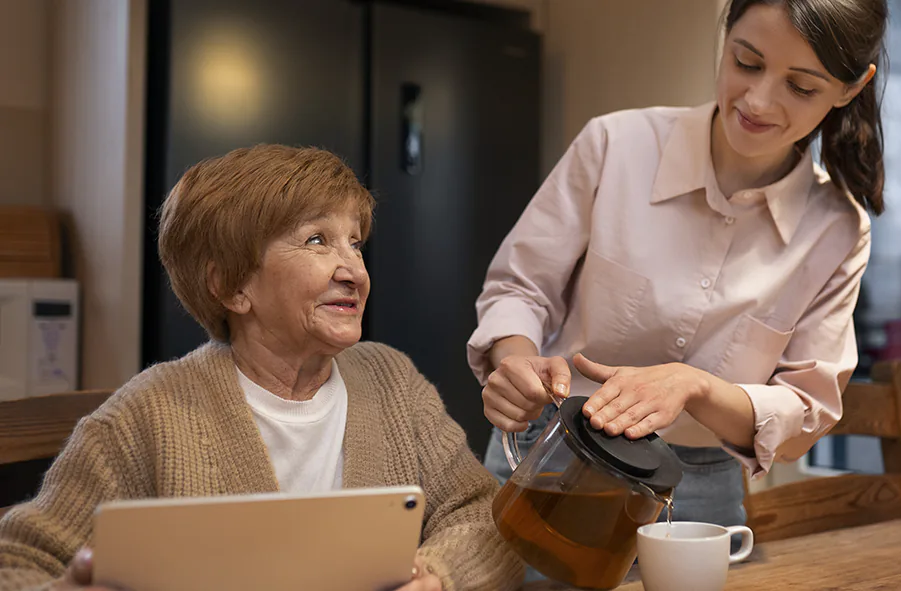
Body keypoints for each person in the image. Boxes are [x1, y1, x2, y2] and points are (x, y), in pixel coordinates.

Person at [0, 145, 524, 591]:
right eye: (318, 240)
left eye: (355, 243)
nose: (355, 272)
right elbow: (19, 564)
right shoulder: (149, 413)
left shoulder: (391, 379)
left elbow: (483, 514)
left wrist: (437, 574)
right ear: (232, 288)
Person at [469, 0, 887, 529]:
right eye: (747, 63)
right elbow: (520, 288)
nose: (758, 100)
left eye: (801, 87)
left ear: (850, 88)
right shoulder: (614, 146)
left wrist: (697, 387)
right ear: (727, 34)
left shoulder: (838, 230)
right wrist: (517, 361)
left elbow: (804, 409)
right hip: (550, 451)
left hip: (697, 488)